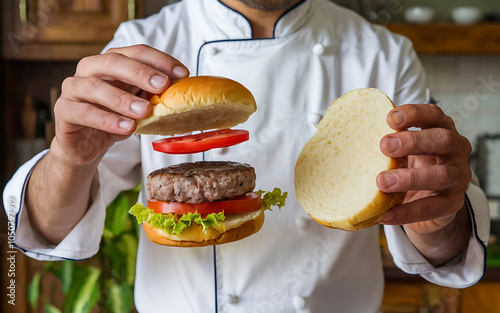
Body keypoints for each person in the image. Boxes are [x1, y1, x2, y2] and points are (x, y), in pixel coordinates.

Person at [3, 0, 490, 312]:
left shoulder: (383, 54)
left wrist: (439, 220)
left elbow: (441, 247)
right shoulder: (143, 47)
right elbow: (48, 226)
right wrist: (69, 159)